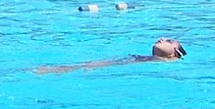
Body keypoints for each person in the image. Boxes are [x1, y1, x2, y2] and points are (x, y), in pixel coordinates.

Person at [36, 39, 187, 73]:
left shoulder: (170, 66)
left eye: (169, 41)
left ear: (175, 53)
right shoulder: (146, 59)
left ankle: (58, 69)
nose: (161, 39)